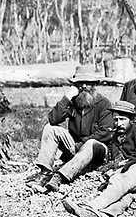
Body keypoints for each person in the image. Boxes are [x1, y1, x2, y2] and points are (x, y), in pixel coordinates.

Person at [61, 100, 136, 217]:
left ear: (132, 119)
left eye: (122, 119)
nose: (118, 123)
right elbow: (113, 159)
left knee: (120, 180)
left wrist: (122, 167)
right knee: (128, 195)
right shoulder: (116, 137)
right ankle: (105, 215)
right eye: (116, 119)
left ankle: (90, 208)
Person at [26, 65, 113, 193]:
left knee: (91, 143)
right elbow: (53, 119)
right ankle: (45, 173)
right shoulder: (73, 102)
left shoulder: (103, 103)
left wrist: (81, 144)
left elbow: (106, 132)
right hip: (76, 147)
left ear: (94, 85)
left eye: (87, 83)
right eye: (79, 83)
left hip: (97, 150)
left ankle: (59, 177)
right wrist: (67, 98)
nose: (83, 87)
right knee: (50, 129)